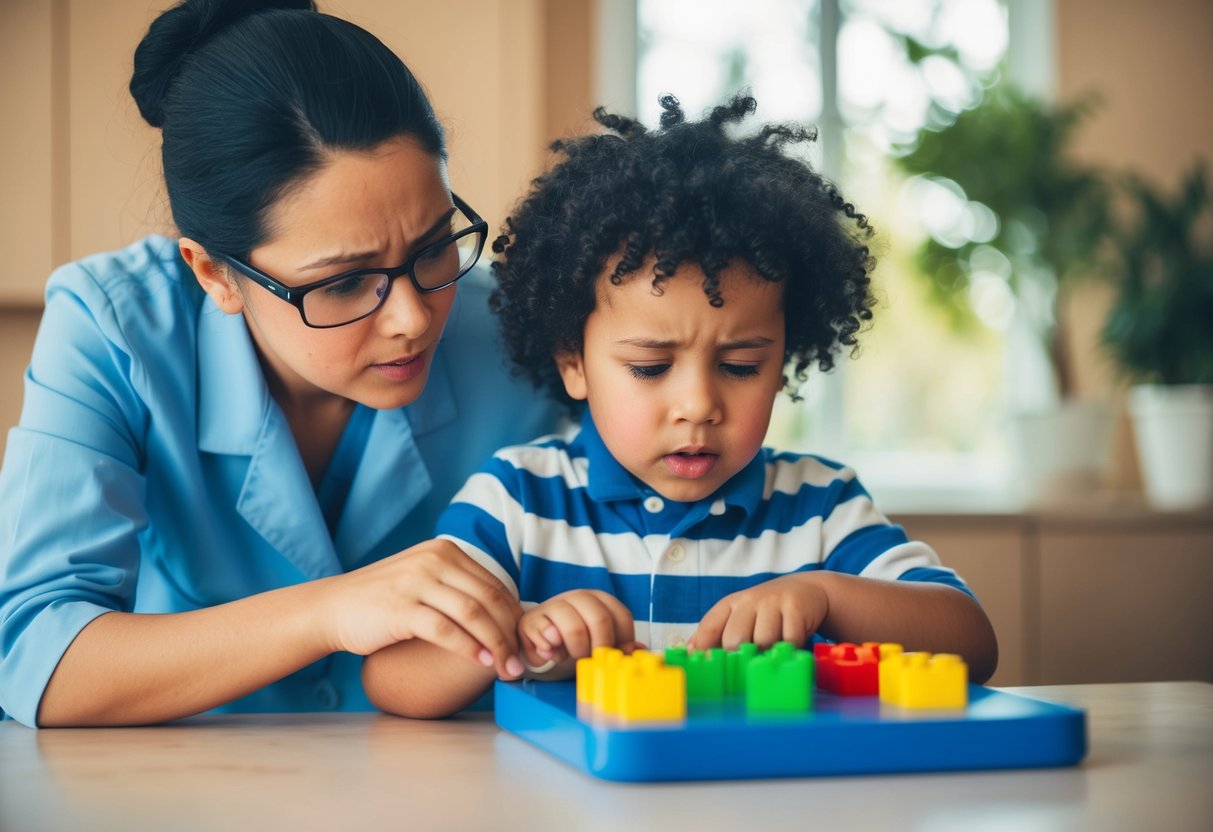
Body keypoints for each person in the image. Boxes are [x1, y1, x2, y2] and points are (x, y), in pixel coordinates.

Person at [0, 0, 561, 727]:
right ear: (213, 275)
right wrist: (332, 611)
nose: (413, 318)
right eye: (343, 282)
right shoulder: (112, 327)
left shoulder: (513, 334)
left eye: (432, 247)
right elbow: (33, 657)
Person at [362, 94, 999, 718]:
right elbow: (393, 678)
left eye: (741, 366)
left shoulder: (820, 507)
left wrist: (825, 596)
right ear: (573, 362)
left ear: (784, 360)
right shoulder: (519, 500)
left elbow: (971, 641)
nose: (698, 405)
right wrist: (520, 638)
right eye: (650, 367)